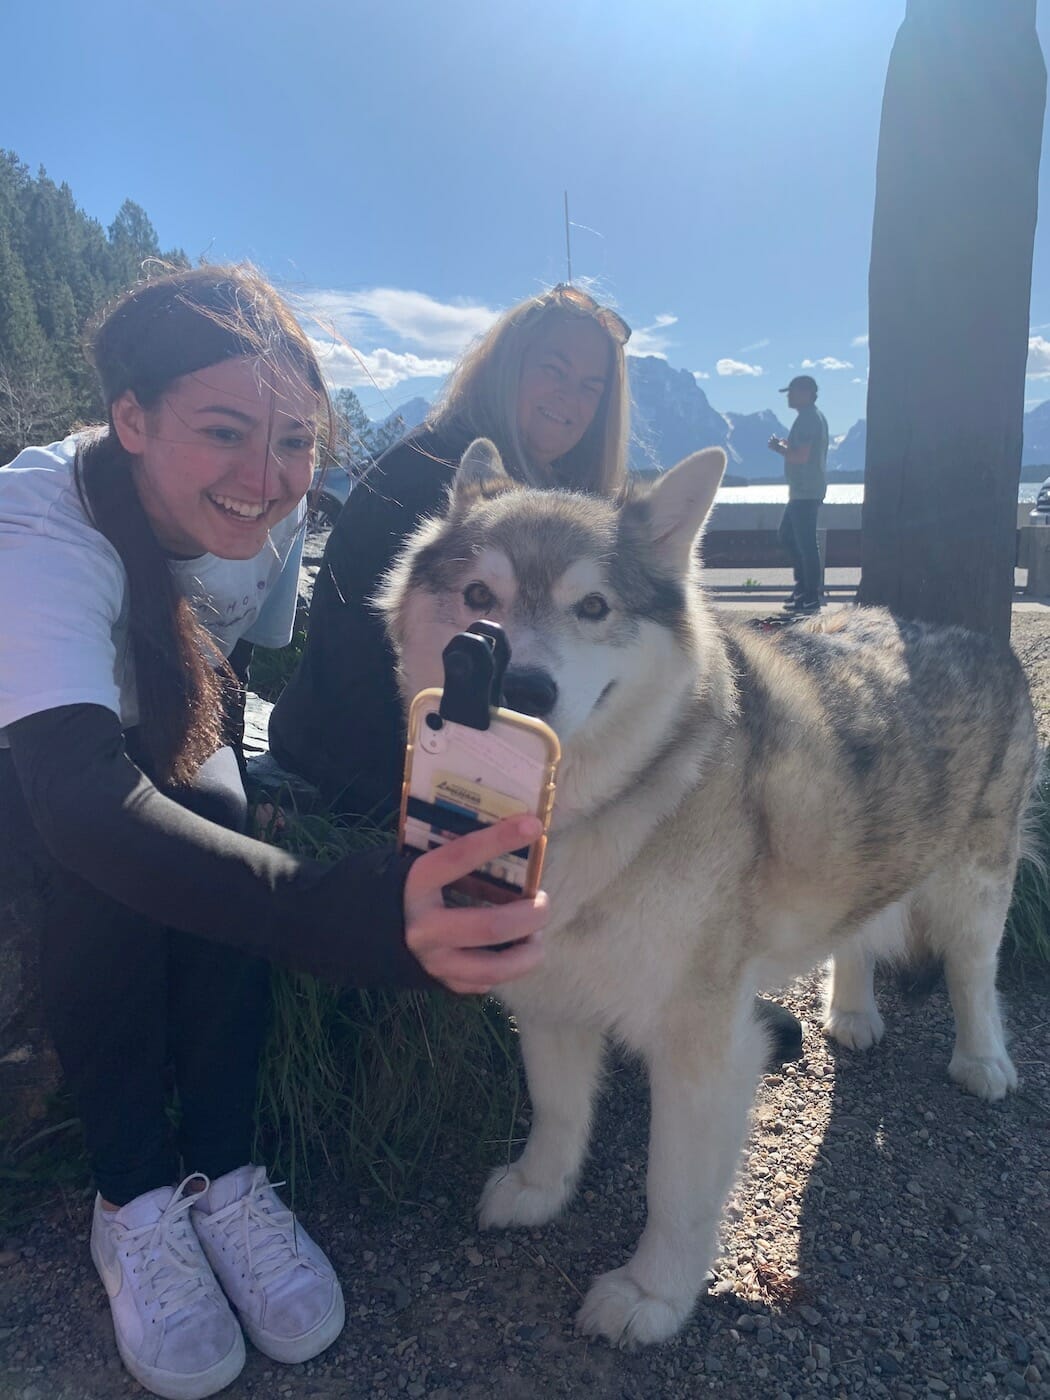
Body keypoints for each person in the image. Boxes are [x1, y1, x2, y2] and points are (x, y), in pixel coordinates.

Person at [0, 265, 548, 1400]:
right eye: (224, 431)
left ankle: (225, 1169)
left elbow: (230, 664)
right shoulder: (38, 523)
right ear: (131, 418)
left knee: (216, 814)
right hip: (31, 737)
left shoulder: (280, 508)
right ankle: (133, 1196)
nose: (266, 478)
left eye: (294, 440)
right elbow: (74, 792)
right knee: (102, 862)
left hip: (161, 705)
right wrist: (340, 911)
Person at [269, 282, 805, 1064]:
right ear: (505, 366)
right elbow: (402, 676)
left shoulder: (502, 482)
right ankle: (678, 982)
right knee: (648, 793)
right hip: (371, 768)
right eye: (554, 370)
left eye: (592, 386)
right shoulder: (443, 484)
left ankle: (690, 967)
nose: (572, 399)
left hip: (413, 748)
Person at [767, 373, 829, 614]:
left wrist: (778, 448)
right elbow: (804, 451)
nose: (789, 397)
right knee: (788, 536)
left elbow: (800, 456)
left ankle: (810, 594)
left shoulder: (808, 420)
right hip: (803, 491)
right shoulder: (812, 417)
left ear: (805, 393)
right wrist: (787, 445)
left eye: (792, 392)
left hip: (805, 492)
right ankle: (804, 588)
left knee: (804, 543)